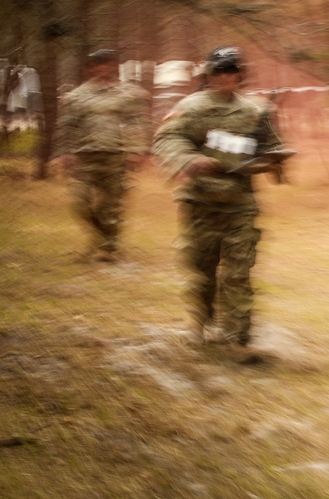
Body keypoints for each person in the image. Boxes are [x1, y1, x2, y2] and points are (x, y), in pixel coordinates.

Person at [152, 46, 288, 358]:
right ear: (209, 74)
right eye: (221, 70)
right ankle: (202, 324)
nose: (227, 76)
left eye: (233, 70)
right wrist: (189, 159)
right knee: (202, 270)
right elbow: (167, 138)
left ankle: (237, 340)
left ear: (241, 74)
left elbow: (272, 145)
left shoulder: (256, 109)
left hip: (240, 203)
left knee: (238, 273)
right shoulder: (191, 107)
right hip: (201, 203)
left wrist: (274, 160)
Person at [52, 49, 151, 262]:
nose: (103, 68)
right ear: (90, 68)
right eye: (98, 64)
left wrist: (137, 149)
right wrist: (64, 152)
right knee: (80, 202)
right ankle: (104, 238)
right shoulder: (76, 96)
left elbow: (138, 123)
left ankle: (109, 248)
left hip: (116, 155)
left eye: (107, 64)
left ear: (114, 67)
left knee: (111, 205)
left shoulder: (129, 94)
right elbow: (66, 126)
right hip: (84, 156)